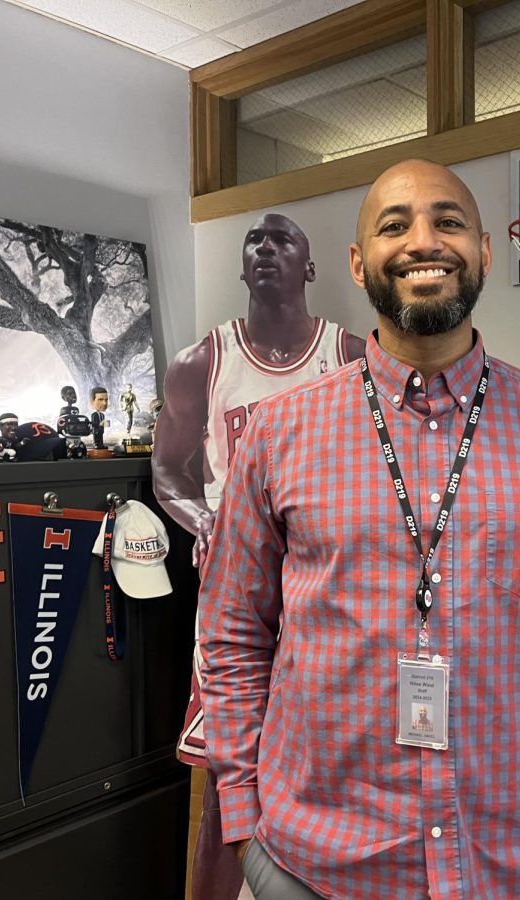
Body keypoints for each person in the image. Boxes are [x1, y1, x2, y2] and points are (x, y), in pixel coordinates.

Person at [199, 160, 520, 900]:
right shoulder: (279, 435)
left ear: (483, 252)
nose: (422, 241)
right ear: (356, 261)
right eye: (393, 225)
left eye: (448, 221)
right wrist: (245, 819)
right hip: (317, 867)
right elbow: (232, 635)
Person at [152, 212, 364, 900]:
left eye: (284, 239)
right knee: (224, 776)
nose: (266, 248)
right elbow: (168, 474)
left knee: (332, 761)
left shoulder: (354, 354)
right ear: (242, 268)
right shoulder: (201, 363)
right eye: (254, 241)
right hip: (238, 602)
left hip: (323, 595)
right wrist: (204, 520)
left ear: (311, 267)